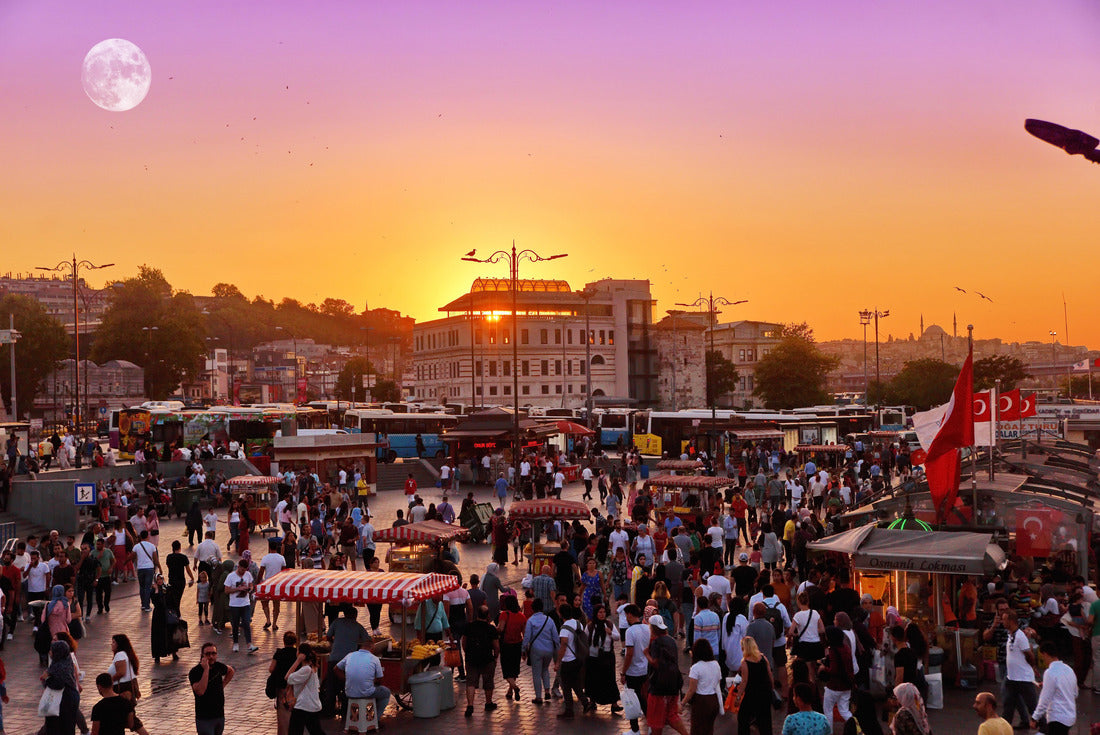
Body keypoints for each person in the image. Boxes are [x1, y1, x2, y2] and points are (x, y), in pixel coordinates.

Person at [645, 614, 688, 735]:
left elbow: (655, 663)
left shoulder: (656, 642)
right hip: (673, 683)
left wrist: (646, 654)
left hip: (659, 685)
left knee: (655, 719)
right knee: (671, 714)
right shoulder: (671, 640)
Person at [1030, 640, 1077, 735]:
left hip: (1057, 717)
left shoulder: (1050, 672)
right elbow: (1075, 693)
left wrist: (1035, 717)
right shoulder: (1068, 669)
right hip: (1070, 716)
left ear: (1045, 654)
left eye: (1042, 657)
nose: (1043, 660)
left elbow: (1044, 699)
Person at [1001, 610, 1038, 729]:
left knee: (1032, 706)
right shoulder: (1010, 635)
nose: (1002, 622)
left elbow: (1029, 655)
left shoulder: (1020, 636)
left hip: (1023, 679)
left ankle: (1043, 726)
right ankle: (1005, 727)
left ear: (1011, 621)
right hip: (1012, 678)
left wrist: (1032, 667)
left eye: (1004, 619)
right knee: (1008, 705)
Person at [461, 605, 500, 717]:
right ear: (488, 616)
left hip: (471, 658)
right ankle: (488, 703)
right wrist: (495, 657)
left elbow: (464, 642)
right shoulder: (491, 629)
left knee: (471, 682)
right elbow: (496, 646)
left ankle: (470, 705)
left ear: (477, 614)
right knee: (488, 682)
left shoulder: (469, 626)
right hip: (487, 658)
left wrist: (467, 652)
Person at [190, 642, 234, 735]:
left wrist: (222, 686)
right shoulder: (195, 672)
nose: (211, 656)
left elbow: (230, 671)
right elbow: (200, 691)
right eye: (208, 654)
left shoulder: (218, 667)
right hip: (204, 718)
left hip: (219, 716)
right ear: (202, 656)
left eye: (213, 653)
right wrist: (206, 669)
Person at [733, 635, 773, 735]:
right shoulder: (763, 658)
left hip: (752, 694)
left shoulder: (745, 663)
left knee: (743, 718)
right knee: (765, 721)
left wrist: (738, 697)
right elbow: (770, 675)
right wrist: (771, 689)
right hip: (765, 693)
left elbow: (744, 681)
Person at [554, 604, 589, 718]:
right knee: (575, 682)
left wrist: (558, 662)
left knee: (566, 686)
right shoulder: (578, 623)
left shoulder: (564, 629)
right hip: (578, 658)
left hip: (568, 660)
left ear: (560, 614)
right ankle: (585, 702)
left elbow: (563, 645)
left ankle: (569, 710)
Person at [620, 604, 650, 735]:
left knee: (632, 700)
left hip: (633, 671)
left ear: (630, 615)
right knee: (644, 698)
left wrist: (623, 672)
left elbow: (629, 654)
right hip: (645, 669)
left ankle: (635, 729)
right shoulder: (647, 628)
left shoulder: (630, 631)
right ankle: (651, 726)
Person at [41, 639, 81, 735]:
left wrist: (46, 678)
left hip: (63, 701)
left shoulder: (60, 666)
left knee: (58, 727)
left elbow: (58, 684)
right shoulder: (66, 662)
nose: (49, 652)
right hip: (68, 698)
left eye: (51, 650)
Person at [682, 639, 722, 735]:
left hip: (701, 701)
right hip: (713, 699)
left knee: (697, 729)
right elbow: (718, 682)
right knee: (709, 729)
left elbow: (692, 690)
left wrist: (683, 703)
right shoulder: (716, 664)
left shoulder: (696, 668)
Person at [285, 643, 324, 735]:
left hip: (303, 705)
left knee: (294, 732)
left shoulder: (305, 669)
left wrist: (297, 661)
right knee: (316, 731)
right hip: (311, 705)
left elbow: (287, 677)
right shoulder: (313, 667)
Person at [820, 626, 854, 725]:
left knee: (828, 710)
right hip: (847, 684)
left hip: (834, 685)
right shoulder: (846, 648)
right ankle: (856, 727)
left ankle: (829, 731)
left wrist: (824, 668)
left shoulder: (833, 650)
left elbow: (834, 670)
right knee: (844, 710)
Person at [496, 593, 526, 702]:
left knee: (506, 670)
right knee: (514, 669)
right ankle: (510, 691)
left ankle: (514, 687)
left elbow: (500, 629)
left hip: (506, 645)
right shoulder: (522, 616)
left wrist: (495, 628)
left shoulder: (504, 614)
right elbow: (524, 633)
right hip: (518, 644)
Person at [268, 632, 299, 735]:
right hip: (294, 687)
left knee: (282, 715)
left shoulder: (279, 653)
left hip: (281, 686)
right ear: (295, 642)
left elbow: (271, 669)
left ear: (284, 641)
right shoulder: (297, 654)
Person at [224, 559, 258, 653]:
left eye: (245, 570)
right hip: (234, 604)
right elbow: (226, 590)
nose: (243, 572)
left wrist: (249, 589)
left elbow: (251, 584)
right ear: (238, 567)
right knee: (235, 624)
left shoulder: (248, 574)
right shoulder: (231, 576)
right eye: (241, 570)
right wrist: (238, 589)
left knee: (246, 622)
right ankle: (235, 643)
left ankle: (249, 644)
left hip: (245, 603)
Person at [91, 671, 137, 735]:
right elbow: (131, 725)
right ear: (112, 684)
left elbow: (94, 732)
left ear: (99, 687)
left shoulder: (98, 707)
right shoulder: (126, 702)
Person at [151, 573, 181, 664]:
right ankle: (157, 655)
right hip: (158, 616)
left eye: (161, 579)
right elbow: (156, 602)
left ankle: (174, 653)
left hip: (168, 614)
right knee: (158, 635)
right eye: (157, 579)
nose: (159, 581)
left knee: (170, 633)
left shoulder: (167, 588)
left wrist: (177, 613)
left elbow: (173, 601)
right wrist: (156, 590)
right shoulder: (153, 590)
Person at [132, 529, 161, 612]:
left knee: (142, 587)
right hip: (149, 568)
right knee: (148, 587)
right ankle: (147, 606)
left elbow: (132, 557)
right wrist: (160, 568)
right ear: (148, 536)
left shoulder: (136, 546)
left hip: (140, 568)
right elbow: (155, 559)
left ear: (140, 537)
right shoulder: (152, 546)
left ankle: (143, 604)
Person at [165, 540, 194, 614]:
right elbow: (188, 569)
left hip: (172, 580)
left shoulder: (169, 557)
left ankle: (175, 613)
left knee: (173, 597)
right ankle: (177, 613)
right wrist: (192, 578)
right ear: (180, 548)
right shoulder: (183, 557)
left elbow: (168, 566)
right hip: (180, 580)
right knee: (178, 598)